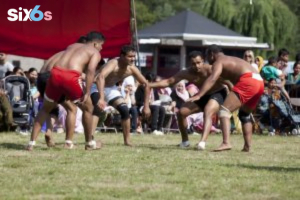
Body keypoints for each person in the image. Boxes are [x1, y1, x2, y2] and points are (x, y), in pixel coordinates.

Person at [26, 31, 105, 151]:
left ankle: (31, 143)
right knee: (88, 108)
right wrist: (87, 92)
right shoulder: (94, 52)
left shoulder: (72, 46)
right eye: (101, 45)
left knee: (45, 108)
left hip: (54, 74)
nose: (101, 48)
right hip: (70, 76)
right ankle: (87, 143)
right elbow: (90, 71)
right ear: (95, 44)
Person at [188, 45, 264, 152]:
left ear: (212, 54)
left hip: (248, 81)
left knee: (224, 111)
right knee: (245, 115)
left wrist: (199, 95)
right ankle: (248, 146)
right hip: (259, 81)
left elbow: (212, 78)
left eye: (207, 56)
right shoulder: (231, 59)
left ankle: (226, 143)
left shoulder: (218, 62)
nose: (207, 60)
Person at [149, 51, 228, 150]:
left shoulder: (211, 69)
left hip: (218, 92)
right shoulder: (186, 73)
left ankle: (202, 142)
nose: (196, 66)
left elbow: (228, 81)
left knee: (208, 111)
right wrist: (150, 85)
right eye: (193, 63)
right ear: (189, 64)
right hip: (202, 95)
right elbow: (169, 81)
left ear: (203, 61)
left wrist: (235, 94)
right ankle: (185, 141)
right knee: (181, 112)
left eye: (198, 62)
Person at [92, 45, 151, 146]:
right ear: (122, 56)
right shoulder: (113, 63)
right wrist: (101, 98)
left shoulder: (132, 69)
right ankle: (90, 139)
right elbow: (100, 77)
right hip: (96, 86)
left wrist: (146, 106)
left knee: (124, 110)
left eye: (134, 56)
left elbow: (146, 84)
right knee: (98, 109)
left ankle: (127, 141)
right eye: (130, 56)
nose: (132, 59)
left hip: (110, 88)